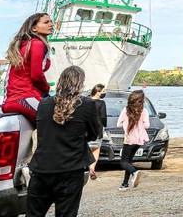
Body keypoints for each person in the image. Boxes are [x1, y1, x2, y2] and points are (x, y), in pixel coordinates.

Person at [25, 65, 101, 217]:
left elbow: (42, 129)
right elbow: (94, 134)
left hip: (42, 167)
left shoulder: (44, 104)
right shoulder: (87, 104)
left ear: (60, 81)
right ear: (80, 83)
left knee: (33, 214)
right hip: (71, 168)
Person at [3, 13, 53, 126]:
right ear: (34, 28)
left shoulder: (26, 44)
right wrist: (46, 87)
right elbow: (36, 75)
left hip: (16, 98)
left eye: (51, 22)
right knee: (56, 124)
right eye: (46, 22)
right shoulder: (37, 44)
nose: (51, 24)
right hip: (24, 97)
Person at [117, 89, 150, 190]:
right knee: (128, 161)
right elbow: (147, 125)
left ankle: (134, 172)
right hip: (139, 140)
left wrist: (126, 124)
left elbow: (118, 124)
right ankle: (125, 184)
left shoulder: (126, 110)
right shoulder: (144, 111)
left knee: (123, 162)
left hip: (129, 139)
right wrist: (139, 125)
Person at [87, 84, 108, 179]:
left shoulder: (86, 101)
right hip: (97, 129)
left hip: (86, 129)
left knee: (86, 149)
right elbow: (103, 117)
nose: (104, 93)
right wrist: (105, 124)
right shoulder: (101, 103)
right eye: (103, 91)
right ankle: (92, 168)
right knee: (96, 148)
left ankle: (85, 168)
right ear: (98, 92)